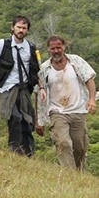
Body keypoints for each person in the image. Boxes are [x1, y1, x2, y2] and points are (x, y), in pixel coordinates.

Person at [35, 35, 96, 170]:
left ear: (64, 47)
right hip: (57, 112)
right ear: (48, 50)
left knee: (79, 147)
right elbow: (39, 94)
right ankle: (69, 174)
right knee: (63, 143)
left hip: (78, 110)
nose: (56, 51)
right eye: (52, 48)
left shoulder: (76, 62)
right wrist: (39, 120)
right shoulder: (44, 69)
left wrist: (92, 99)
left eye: (58, 48)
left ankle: (78, 174)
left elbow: (89, 79)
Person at [0, 16, 41, 157]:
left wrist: (42, 88)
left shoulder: (31, 47)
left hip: (24, 89)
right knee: (15, 117)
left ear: (27, 30)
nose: (21, 30)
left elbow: (36, 70)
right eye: (19, 27)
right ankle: (14, 150)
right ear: (12, 27)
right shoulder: (2, 44)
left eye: (24, 28)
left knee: (27, 121)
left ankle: (28, 154)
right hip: (6, 88)